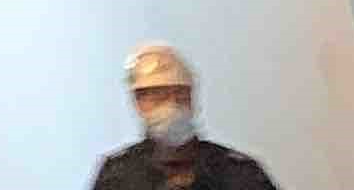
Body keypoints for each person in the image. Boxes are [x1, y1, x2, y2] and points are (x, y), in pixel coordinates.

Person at [89, 44, 281, 190]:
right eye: (157, 96)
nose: (170, 105)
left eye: (179, 94)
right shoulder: (118, 174)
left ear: (191, 98)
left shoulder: (239, 172)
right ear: (139, 103)